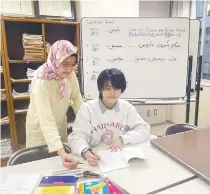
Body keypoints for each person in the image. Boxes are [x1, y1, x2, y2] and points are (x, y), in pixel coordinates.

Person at [68, 68, 150, 166]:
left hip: (119, 156)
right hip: (95, 158)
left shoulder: (126, 107)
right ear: (100, 89)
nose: (112, 92)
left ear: (121, 90)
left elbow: (144, 129)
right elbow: (76, 137)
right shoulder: (87, 109)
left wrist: (122, 139)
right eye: (108, 88)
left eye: (116, 89)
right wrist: (85, 151)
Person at [26, 40, 82, 168]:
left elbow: (77, 99)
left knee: (60, 166)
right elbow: (46, 120)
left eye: (73, 64)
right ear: (55, 60)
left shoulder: (69, 74)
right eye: (65, 64)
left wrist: (87, 123)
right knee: (42, 166)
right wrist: (62, 153)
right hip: (40, 129)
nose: (69, 69)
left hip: (59, 123)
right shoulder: (41, 82)